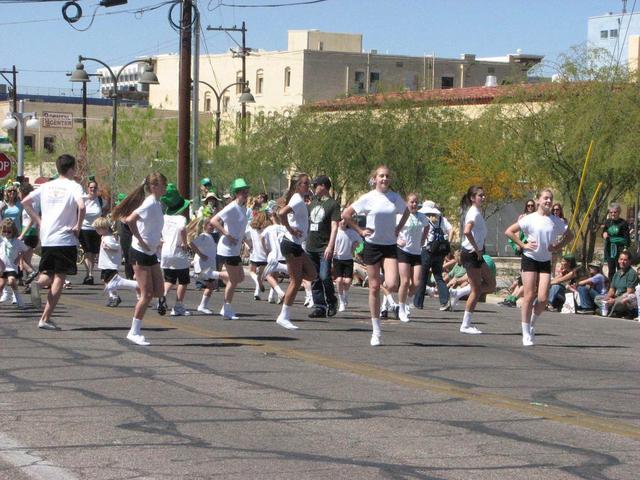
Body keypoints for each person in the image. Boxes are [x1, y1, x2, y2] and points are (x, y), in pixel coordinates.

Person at [342, 165, 409, 346]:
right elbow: (346, 214)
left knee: (393, 283)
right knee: (373, 287)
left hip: (389, 247)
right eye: (381, 176)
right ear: (375, 178)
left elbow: (407, 211)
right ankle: (376, 330)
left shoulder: (394, 198)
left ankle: (389, 300)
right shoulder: (368, 198)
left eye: (387, 176)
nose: (384, 179)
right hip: (372, 245)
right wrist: (360, 230)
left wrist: (398, 228)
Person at [21, 154, 86, 330]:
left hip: (48, 237)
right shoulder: (74, 186)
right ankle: (45, 318)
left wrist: (38, 220)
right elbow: (81, 206)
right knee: (59, 277)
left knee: (49, 273)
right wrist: (78, 227)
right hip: (64, 238)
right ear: (71, 168)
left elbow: (25, 201)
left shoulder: (46, 186)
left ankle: (37, 283)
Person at [505, 188, 572, 346]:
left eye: (550, 198)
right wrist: (523, 245)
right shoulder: (530, 218)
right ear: (538, 200)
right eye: (545, 198)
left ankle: (532, 323)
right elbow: (509, 231)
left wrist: (558, 246)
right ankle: (525, 332)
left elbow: (570, 236)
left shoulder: (556, 221)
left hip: (545, 261)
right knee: (529, 296)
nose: (548, 201)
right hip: (529, 259)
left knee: (542, 299)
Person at [110, 172, 167, 346]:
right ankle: (134, 332)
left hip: (150, 253)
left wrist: (157, 240)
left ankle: (120, 282)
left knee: (159, 291)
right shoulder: (149, 203)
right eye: (163, 184)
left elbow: (152, 225)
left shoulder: (157, 204)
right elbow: (129, 220)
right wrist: (141, 240)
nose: (166, 187)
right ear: (154, 187)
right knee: (147, 294)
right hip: (140, 252)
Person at [275, 173, 317, 330]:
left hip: (296, 245)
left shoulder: (298, 198)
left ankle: (282, 268)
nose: (308, 186)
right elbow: (281, 213)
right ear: (298, 185)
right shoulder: (298, 199)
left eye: (309, 183)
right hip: (290, 243)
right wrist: (290, 229)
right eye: (305, 183)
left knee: (312, 274)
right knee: (296, 281)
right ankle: (283, 316)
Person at [211, 178, 250, 320]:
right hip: (227, 249)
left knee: (240, 277)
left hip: (235, 249)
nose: (245, 194)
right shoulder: (232, 207)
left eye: (246, 192)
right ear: (236, 193)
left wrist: (245, 241)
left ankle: (212, 274)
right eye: (242, 192)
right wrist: (226, 233)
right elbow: (213, 220)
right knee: (234, 280)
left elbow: (241, 228)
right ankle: (226, 308)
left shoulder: (243, 208)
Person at [458, 185, 496, 335]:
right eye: (480, 195)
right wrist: (476, 248)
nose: (483, 197)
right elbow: (467, 231)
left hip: (477, 254)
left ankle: (459, 293)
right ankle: (465, 325)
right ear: (472, 198)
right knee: (477, 289)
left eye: (483, 195)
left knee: (491, 285)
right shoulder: (473, 213)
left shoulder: (477, 212)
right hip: (471, 253)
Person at [306, 175, 341, 318]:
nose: (314, 189)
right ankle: (320, 306)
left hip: (324, 246)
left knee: (325, 275)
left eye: (316, 186)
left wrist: (330, 246)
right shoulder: (313, 202)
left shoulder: (332, 204)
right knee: (314, 277)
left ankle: (332, 301)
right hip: (311, 246)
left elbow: (334, 227)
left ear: (323, 186)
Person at [159, 184, 192, 316]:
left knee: (169, 279)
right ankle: (178, 305)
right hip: (178, 251)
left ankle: (163, 296)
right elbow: (182, 229)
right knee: (183, 280)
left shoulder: (164, 218)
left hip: (165, 251)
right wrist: (185, 243)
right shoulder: (181, 218)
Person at [396, 193, 428, 322]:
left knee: (416, 283)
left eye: (416, 202)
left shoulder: (421, 217)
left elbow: (426, 227)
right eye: (411, 202)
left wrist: (423, 240)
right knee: (404, 281)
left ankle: (407, 301)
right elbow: (393, 230)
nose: (414, 204)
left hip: (416, 252)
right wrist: (398, 240)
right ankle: (401, 308)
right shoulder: (401, 216)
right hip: (404, 251)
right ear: (407, 203)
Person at [188, 214, 229, 314]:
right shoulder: (203, 236)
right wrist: (200, 254)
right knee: (211, 285)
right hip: (204, 265)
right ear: (204, 226)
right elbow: (191, 243)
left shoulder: (208, 236)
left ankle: (194, 275)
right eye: (210, 225)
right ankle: (202, 305)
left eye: (212, 225)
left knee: (211, 285)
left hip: (209, 265)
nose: (212, 226)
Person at [414, 200, 451, 311]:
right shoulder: (442, 220)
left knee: (423, 277)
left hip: (427, 250)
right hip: (439, 251)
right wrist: (448, 241)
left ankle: (418, 302)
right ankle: (445, 301)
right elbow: (451, 229)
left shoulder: (423, 219)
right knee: (438, 276)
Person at [94, 216, 138, 307]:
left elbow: (117, 247)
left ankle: (115, 296)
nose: (96, 231)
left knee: (111, 281)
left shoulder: (108, 238)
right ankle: (113, 296)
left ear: (105, 228)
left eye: (98, 229)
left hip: (110, 264)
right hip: (106, 264)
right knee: (106, 281)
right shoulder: (105, 237)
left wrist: (109, 247)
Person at [595, 250, 638, 318]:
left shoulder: (631, 273)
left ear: (629, 262)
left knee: (619, 303)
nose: (622, 262)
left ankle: (609, 311)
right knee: (597, 298)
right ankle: (612, 311)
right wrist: (607, 298)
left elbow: (629, 292)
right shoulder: (617, 273)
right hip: (615, 298)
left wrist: (614, 300)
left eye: (625, 260)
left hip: (625, 299)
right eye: (621, 259)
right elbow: (612, 290)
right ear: (618, 260)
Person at [333, 219, 362, 312]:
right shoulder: (334, 231)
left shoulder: (352, 232)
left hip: (348, 259)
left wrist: (356, 246)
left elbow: (361, 242)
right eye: (341, 220)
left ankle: (345, 295)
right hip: (337, 259)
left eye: (345, 221)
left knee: (348, 281)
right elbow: (328, 242)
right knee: (339, 280)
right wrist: (331, 249)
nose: (342, 222)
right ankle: (341, 301)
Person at [0, 218, 31, 308]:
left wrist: (19, 258)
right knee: (1, 285)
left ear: (13, 231)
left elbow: (25, 250)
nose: (6, 234)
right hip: (2, 267)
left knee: (12, 281)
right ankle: (4, 295)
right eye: (4, 231)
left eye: (9, 232)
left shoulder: (17, 242)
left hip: (12, 266)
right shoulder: (1, 240)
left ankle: (18, 298)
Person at [79, 179, 105, 285]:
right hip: (84, 229)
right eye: (91, 188)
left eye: (94, 188)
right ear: (87, 188)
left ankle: (88, 273)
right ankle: (90, 274)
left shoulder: (100, 200)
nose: (92, 189)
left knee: (93, 253)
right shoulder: (83, 199)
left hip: (96, 229)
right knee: (88, 251)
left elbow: (105, 210)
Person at [602, 203, 630, 282]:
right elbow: (604, 231)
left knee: (620, 268)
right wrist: (604, 234)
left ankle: (621, 286)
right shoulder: (607, 222)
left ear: (619, 212)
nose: (613, 214)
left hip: (620, 248)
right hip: (609, 248)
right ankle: (611, 287)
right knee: (611, 268)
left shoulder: (623, 223)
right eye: (611, 212)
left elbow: (626, 237)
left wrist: (625, 248)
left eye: (615, 212)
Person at [245, 210, 269, 300]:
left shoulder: (251, 228)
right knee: (261, 275)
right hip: (265, 255)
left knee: (252, 271)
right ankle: (257, 290)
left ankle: (257, 284)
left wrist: (249, 246)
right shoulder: (266, 229)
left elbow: (244, 237)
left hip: (255, 254)